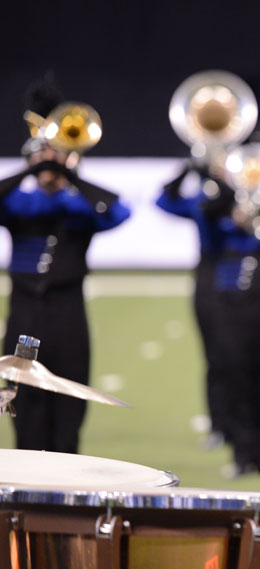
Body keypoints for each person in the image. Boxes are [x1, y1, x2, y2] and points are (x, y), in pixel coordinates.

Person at [0, 81, 131, 453]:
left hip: (68, 310)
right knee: (24, 402)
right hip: (24, 310)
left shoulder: (80, 207)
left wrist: (70, 174)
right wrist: (29, 170)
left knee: (69, 398)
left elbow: (118, 211)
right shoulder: (19, 205)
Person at [156, 149, 260, 475]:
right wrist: (219, 187)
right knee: (237, 378)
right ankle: (241, 456)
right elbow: (185, 208)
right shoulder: (217, 224)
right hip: (230, 311)